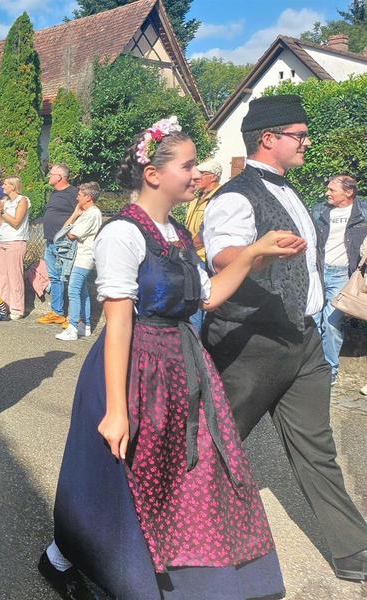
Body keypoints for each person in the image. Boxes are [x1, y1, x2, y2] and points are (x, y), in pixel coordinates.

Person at [40, 116, 300, 600]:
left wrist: (254, 254)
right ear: (154, 174)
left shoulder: (178, 233)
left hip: (180, 365)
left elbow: (207, 297)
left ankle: (173, 566)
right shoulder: (123, 233)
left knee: (176, 471)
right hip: (132, 365)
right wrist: (117, 409)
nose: (197, 173)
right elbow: (118, 322)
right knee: (114, 474)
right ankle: (71, 558)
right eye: (188, 165)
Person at [202, 94, 367, 582]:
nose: (307, 141)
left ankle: (354, 553)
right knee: (213, 444)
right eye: (300, 134)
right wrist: (256, 252)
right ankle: (168, 531)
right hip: (251, 342)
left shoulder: (292, 192)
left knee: (317, 448)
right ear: (269, 139)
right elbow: (222, 257)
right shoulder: (234, 195)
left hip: (304, 337)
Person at [311, 175, 367, 384]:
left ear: (349, 192)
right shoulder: (320, 211)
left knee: (332, 323)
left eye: (332, 190)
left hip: (342, 275)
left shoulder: (363, 211)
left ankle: (330, 371)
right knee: (313, 321)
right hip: (318, 271)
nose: (327, 193)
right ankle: (311, 367)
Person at [55, 182, 102, 341]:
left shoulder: (92, 214)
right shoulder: (89, 213)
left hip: (84, 257)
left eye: (80, 195)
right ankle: (85, 325)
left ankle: (73, 326)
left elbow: (70, 233)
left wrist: (74, 217)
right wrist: (75, 214)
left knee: (73, 290)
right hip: (83, 257)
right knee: (82, 291)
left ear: (88, 197)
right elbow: (67, 229)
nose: (77, 197)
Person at [37, 164, 78, 325]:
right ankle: (57, 312)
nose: (49, 176)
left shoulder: (73, 193)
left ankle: (75, 316)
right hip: (50, 242)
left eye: (51, 174)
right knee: (54, 278)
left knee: (66, 277)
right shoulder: (55, 192)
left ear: (60, 177)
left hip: (64, 243)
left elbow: (82, 212)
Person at [184, 158, 222, 330]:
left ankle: (198, 345)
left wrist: (186, 248)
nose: (196, 177)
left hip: (204, 259)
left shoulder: (219, 198)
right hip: (193, 256)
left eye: (201, 174)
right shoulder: (196, 196)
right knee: (194, 305)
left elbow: (205, 232)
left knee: (202, 304)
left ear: (213, 177)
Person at [0, 176, 29, 320]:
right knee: (2, 277)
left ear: (13, 186)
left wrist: (2, 212)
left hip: (16, 241)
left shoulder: (22, 200)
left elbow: (16, 222)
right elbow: (1, 223)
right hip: (2, 240)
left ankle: (17, 309)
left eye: (6, 184)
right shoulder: (6, 201)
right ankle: (4, 307)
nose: (3, 186)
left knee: (15, 276)